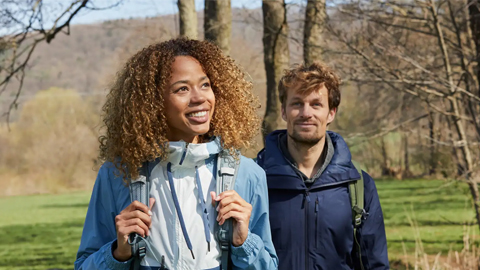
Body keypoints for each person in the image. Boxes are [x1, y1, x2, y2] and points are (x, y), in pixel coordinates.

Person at [75, 38, 278, 270]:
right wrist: (118, 253)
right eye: (182, 89)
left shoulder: (249, 174)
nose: (200, 98)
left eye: (205, 85)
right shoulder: (117, 174)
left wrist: (243, 242)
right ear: (152, 103)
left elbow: (268, 266)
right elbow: (84, 265)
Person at [256, 62, 389, 270]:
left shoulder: (358, 186)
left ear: (331, 113)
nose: (306, 113)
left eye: (316, 104)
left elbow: (375, 265)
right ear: (283, 111)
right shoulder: (255, 180)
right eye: (297, 104)